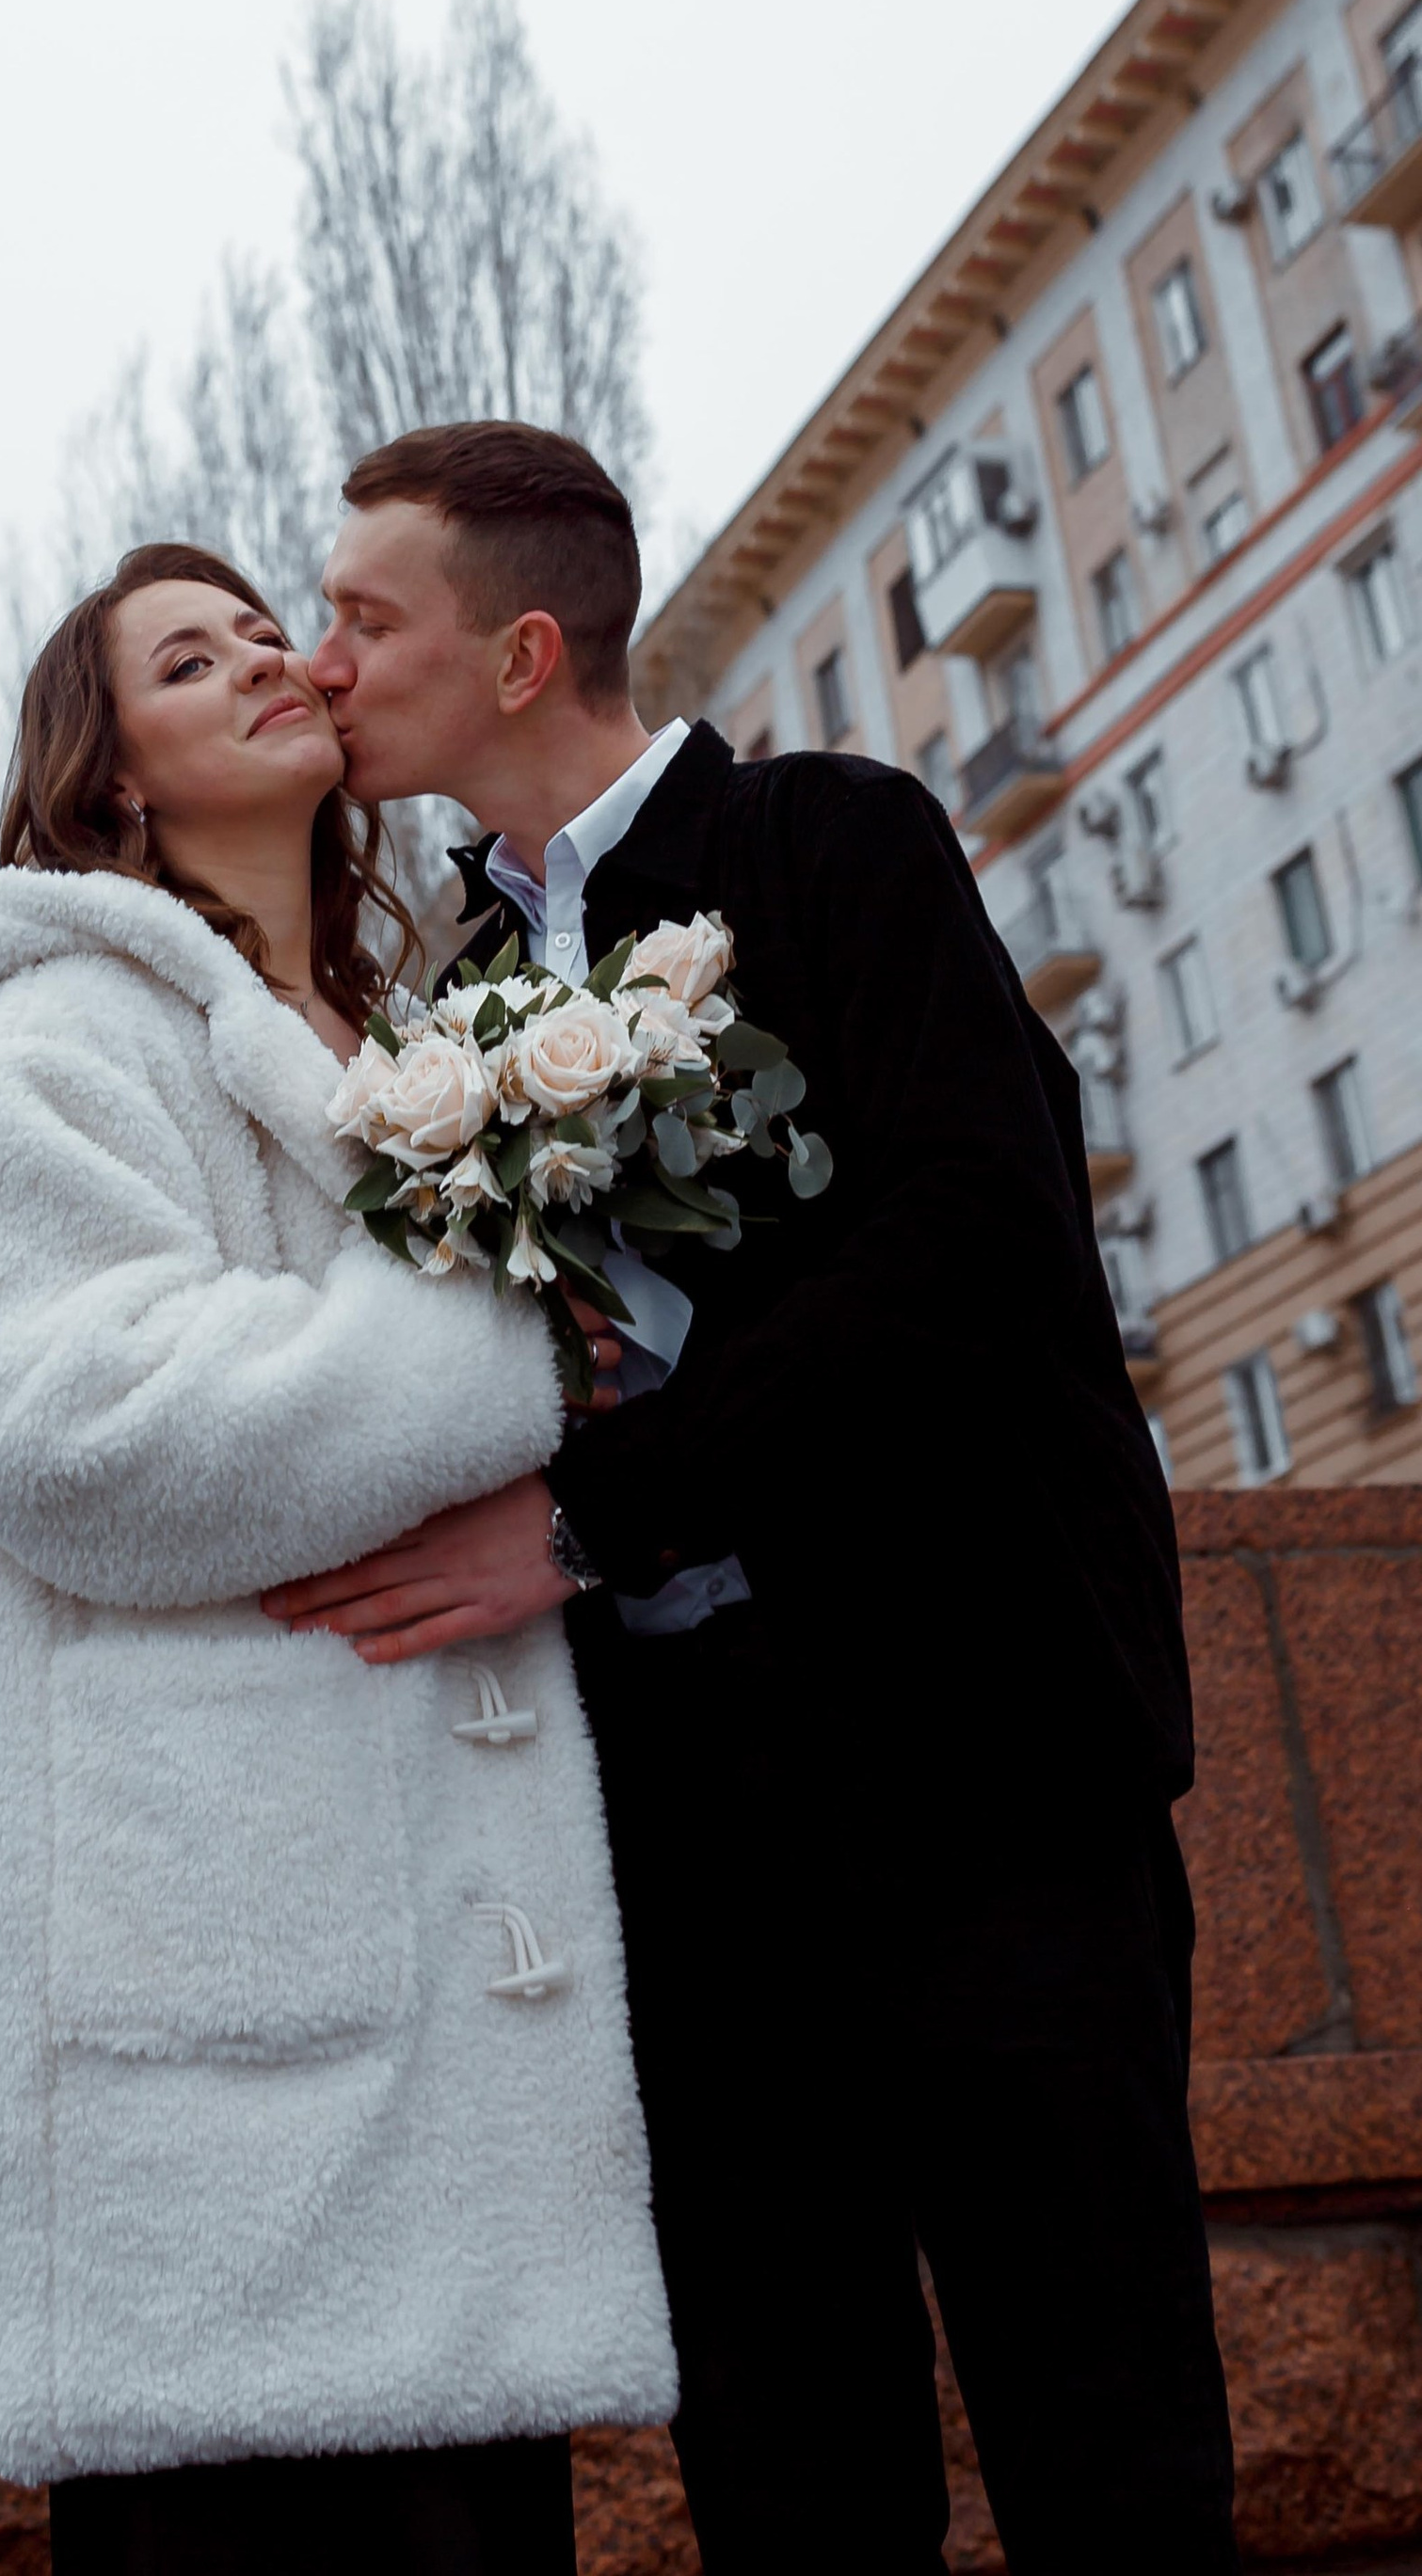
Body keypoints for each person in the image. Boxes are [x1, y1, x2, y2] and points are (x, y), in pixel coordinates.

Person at [267, 421, 1238, 2576]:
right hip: (677, 1838)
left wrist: (594, 1511)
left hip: (980, 1772)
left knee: (1107, 2444)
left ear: (519, 650)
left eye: (362, 614)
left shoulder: (831, 840)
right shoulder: (444, 1010)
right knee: (787, 2476)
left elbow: (966, 1244)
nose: (318, 659)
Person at [0, 540, 675, 2576]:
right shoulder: (57, 1026)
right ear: (110, 770)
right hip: (227, 2061)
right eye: (184, 651)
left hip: (436, 2029)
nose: (257, 657)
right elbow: (69, 1425)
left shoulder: (395, 1036)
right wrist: (503, 1347)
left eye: (263, 630)